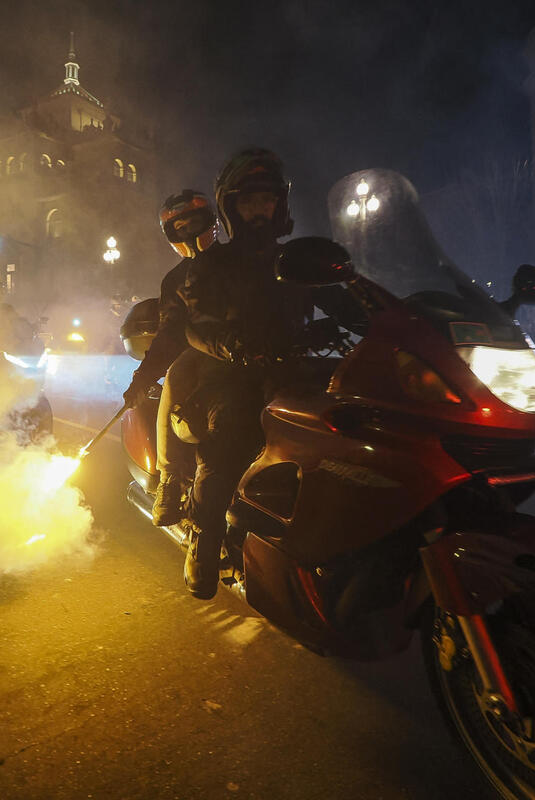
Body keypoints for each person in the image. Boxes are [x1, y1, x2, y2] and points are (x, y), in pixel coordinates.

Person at [176, 148, 311, 598]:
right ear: (233, 207)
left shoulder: (295, 262)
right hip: (231, 376)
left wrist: (380, 316)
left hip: (290, 372)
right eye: (249, 202)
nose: (259, 210)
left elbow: (342, 298)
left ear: (279, 205)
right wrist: (231, 345)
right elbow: (195, 324)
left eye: (267, 201)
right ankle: (203, 535)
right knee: (228, 438)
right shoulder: (213, 264)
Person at [121, 190, 219, 526]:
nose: (189, 229)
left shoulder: (237, 261)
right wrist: (142, 379)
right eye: (181, 225)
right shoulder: (176, 279)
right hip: (202, 355)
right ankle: (170, 480)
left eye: (195, 221)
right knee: (175, 379)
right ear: (171, 234)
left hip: (251, 353)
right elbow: (169, 333)